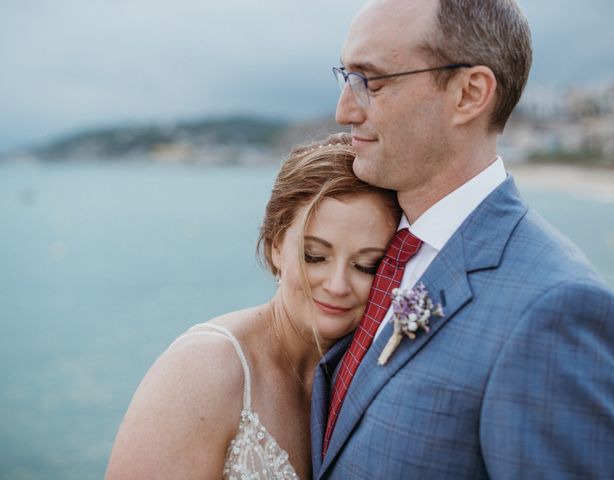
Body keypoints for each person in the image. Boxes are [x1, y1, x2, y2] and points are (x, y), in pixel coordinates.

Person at [311, 1, 614, 478]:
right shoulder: (375, 254)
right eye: (346, 76)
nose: (344, 110)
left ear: (468, 93)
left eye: (372, 81)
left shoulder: (555, 311)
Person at [105, 133, 401, 479]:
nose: (337, 285)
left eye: (366, 265)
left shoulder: (369, 375)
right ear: (276, 246)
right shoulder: (205, 369)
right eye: (314, 256)